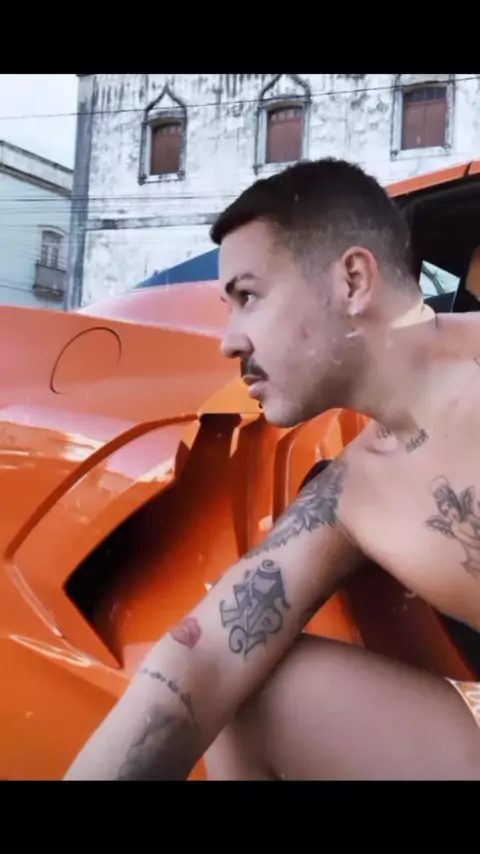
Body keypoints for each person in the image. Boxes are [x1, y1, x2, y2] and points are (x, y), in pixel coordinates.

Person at [64, 158, 480, 781]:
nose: (229, 341)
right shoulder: (347, 498)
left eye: (248, 297)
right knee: (245, 679)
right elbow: (200, 661)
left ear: (353, 281)